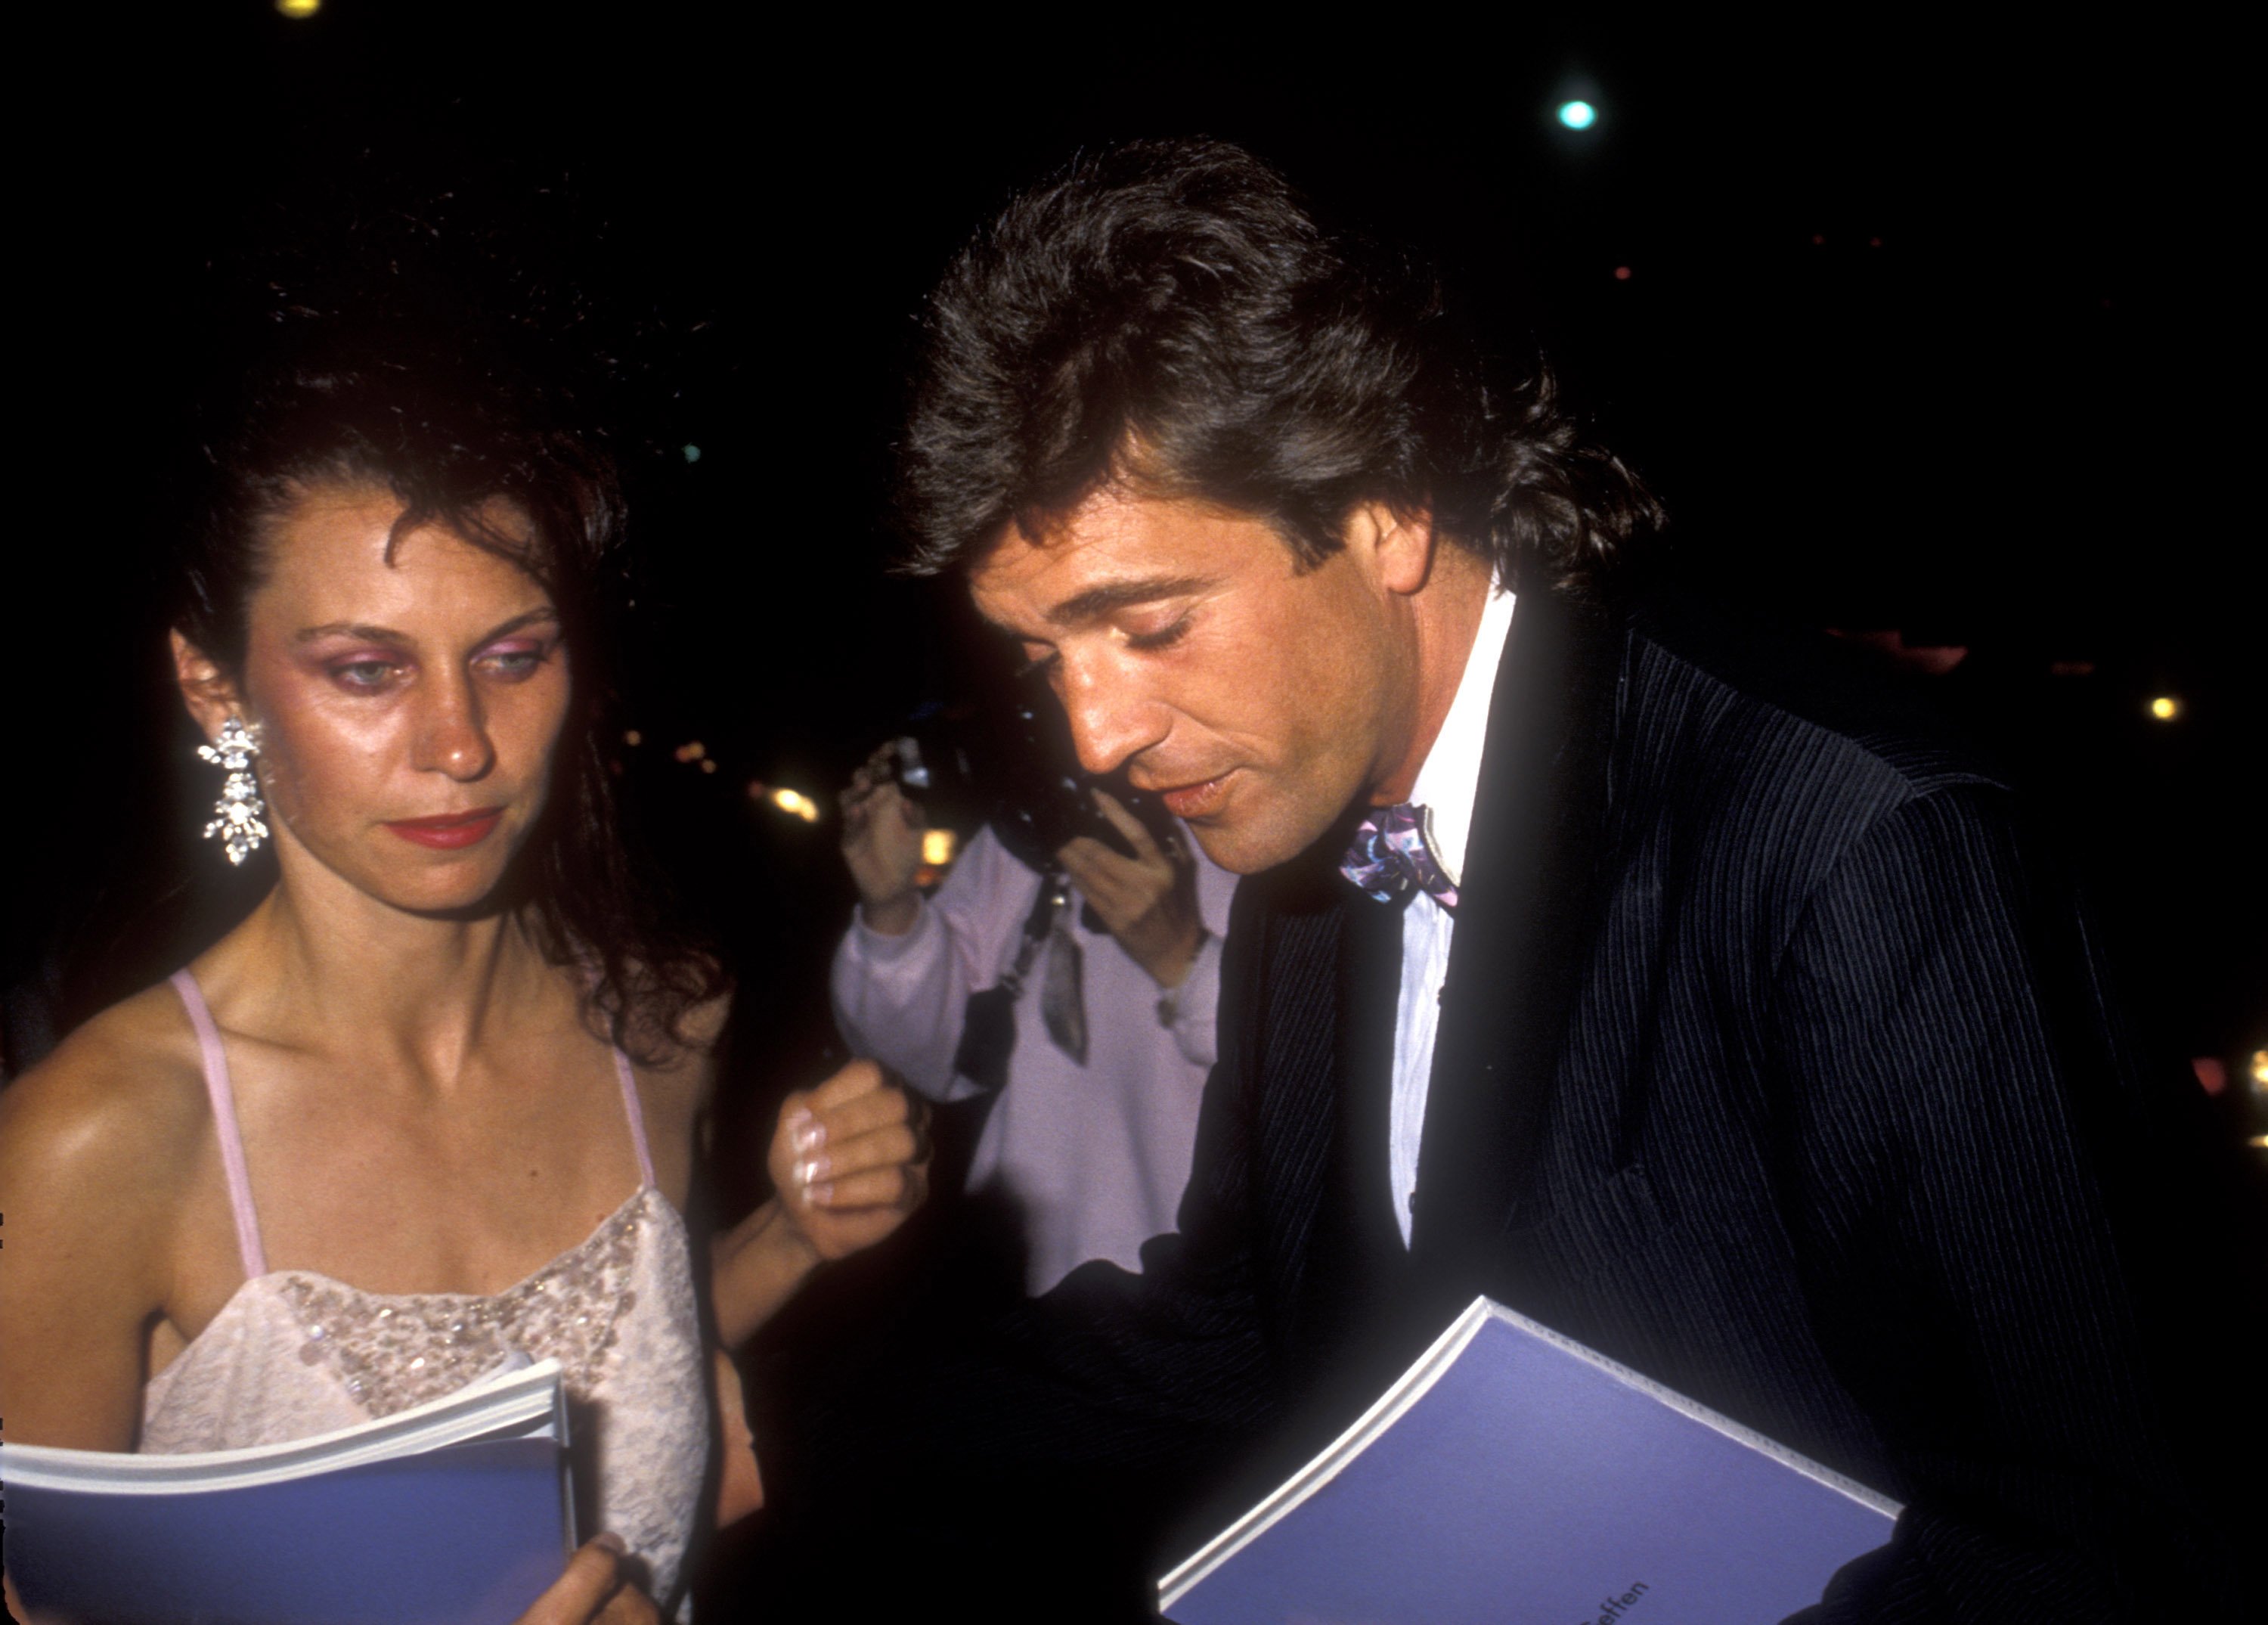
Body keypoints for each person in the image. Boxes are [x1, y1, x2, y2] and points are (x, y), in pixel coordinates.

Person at [755, 138, 2259, 1620]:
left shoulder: (1856, 845)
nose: (1095, 734)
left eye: (1146, 625)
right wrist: (774, 1446)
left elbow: (2105, 1544)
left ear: (1390, 506)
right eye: (1043, 656)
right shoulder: (1305, 846)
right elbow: (1234, 1328)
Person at [0, 317, 928, 1624]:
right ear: (219, 689)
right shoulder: (99, 1138)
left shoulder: (662, 1020)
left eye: (512, 655)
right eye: (366, 670)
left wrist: (793, 1230)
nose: (460, 743)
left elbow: (593, 1375)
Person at [834, 743, 1235, 1295]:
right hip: (1018, 1287)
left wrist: (1183, 960)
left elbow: (1327, 1075)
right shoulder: (1040, 818)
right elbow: (931, 1059)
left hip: (1203, 1305)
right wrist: (890, 906)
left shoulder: (1275, 816)